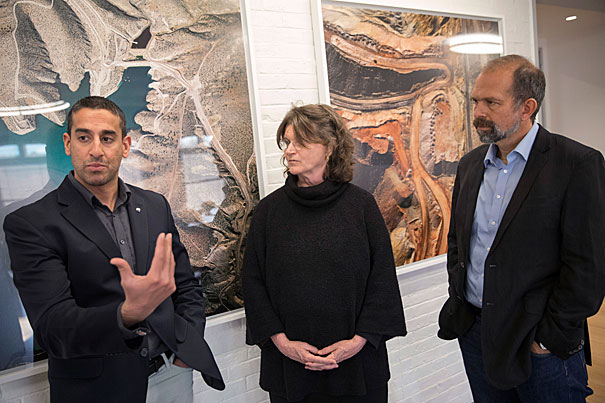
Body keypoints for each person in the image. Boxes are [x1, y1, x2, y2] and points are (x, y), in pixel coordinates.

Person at [3, 96, 225, 403]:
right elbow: (52, 327)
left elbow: (185, 283)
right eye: (84, 137)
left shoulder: (154, 206)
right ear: (68, 144)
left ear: (125, 145)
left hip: (171, 371)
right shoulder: (31, 223)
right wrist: (126, 314)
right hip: (98, 388)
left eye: (107, 138)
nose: (96, 150)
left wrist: (187, 345)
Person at [437, 55, 605, 402]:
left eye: (491, 103)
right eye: (475, 101)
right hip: (475, 332)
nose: (478, 112)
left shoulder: (577, 164)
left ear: (527, 107)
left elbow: (588, 267)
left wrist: (547, 339)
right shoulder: (470, 165)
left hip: (538, 341)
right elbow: (459, 242)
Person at [243, 103, 406, 403]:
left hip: (356, 365)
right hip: (291, 367)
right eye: (287, 142)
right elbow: (253, 284)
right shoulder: (268, 212)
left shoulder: (361, 207)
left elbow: (382, 281)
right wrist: (283, 343)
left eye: (300, 142)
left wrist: (356, 343)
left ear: (329, 147)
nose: (289, 150)